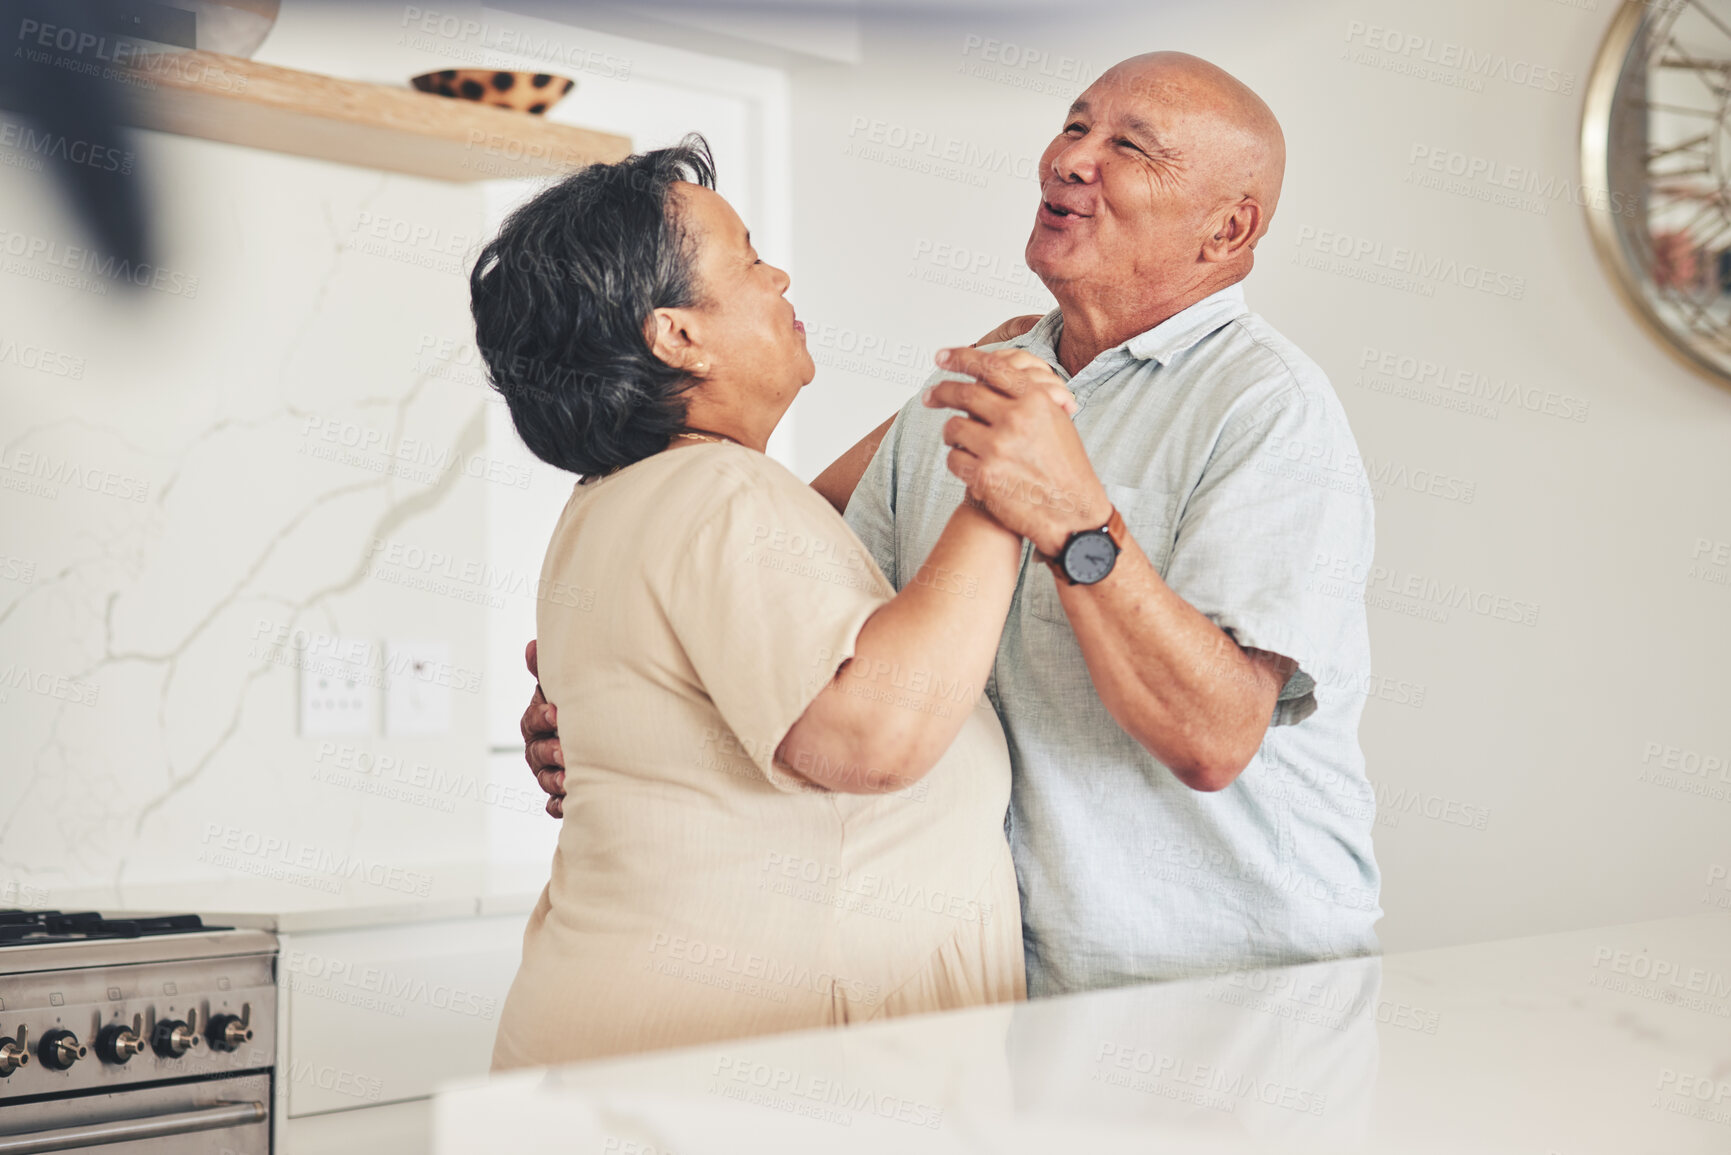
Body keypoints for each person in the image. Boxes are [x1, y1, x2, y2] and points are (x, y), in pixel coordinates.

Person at [526, 52, 1383, 996]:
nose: (1070, 159)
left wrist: (1075, 526)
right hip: (1012, 993)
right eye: (1073, 125)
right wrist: (621, 697)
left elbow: (1215, 738)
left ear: (1228, 229)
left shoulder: (1266, 406)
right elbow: (772, 577)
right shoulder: (972, 386)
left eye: (1129, 146)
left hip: (1230, 989)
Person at [473, 136, 1078, 1069]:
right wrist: (1009, 486)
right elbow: (873, 736)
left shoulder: (628, 498)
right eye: (750, 261)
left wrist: (963, 389)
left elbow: (813, 522)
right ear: (676, 334)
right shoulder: (713, 494)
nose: (780, 273)